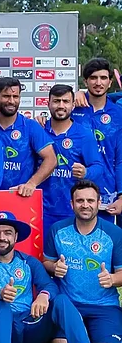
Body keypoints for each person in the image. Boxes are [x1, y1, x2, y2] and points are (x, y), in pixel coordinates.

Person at [0, 211, 117, 343]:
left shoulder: (30, 262)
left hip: (32, 326)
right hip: (5, 330)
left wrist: (43, 295)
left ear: (16, 237)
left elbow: (49, 285)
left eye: (7, 232)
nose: (2, 237)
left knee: (61, 299)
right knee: (2, 305)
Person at [43, 179, 122, 343]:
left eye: (90, 201)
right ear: (72, 204)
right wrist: (54, 267)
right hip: (69, 304)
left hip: (104, 305)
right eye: (80, 201)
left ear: (99, 203)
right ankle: (83, 332)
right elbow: (45, 262)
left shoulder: (115, 233)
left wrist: (112, 279)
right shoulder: (57, 229)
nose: (85, 205)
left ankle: (94, 331)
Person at [40, 85, 103, 233]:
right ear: (48, 103)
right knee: (41, 255)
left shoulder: (84, 135)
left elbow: (98, 167)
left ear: (73, 105)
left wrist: (86, 172)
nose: (61, 106)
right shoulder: (38, 130)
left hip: (71, 210)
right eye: (56, 101)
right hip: (39, 209)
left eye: (66, 101)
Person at [70, 58, 122, 223]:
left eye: (103, 78)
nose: (98, 82)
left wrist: (121, 195)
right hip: (71, 191)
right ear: (85, 81)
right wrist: (42, 120)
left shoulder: (118, 114)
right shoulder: (72, 107)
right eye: (93, 78)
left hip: (106, 194)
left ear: (110, 82)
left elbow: (121, 159)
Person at [0, 77, 56, 196]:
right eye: (6, 96)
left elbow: (51, 159)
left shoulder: (30, 126)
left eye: (15, 97)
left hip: (20, 197)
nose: (11, 101)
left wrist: (31, 183)